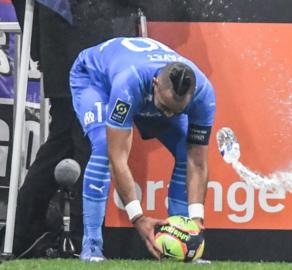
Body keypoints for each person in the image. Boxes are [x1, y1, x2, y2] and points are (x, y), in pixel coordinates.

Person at [8, 0, 138, 257]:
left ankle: (24, 231)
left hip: (63, 45)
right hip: (90, 47)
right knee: (87, 143)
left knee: (65, 139)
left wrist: (38, 45)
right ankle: (80, 239)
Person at [69, 37, 216, 261]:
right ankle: (92, 245)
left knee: (186, 149)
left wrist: (196, 220)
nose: (168, 116)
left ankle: (182, 236)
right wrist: (137, 217)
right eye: (165, 108)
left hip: (142, 91)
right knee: (103, 145)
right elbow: (116, 158)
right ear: (156, 83)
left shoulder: (204, 95)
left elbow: (197, 161)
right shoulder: (130, 82)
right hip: (95, 80)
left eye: (177, 111)